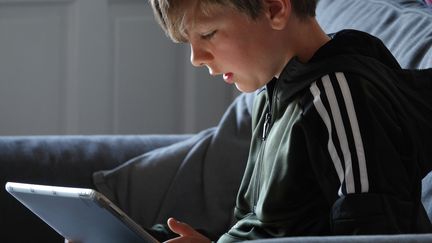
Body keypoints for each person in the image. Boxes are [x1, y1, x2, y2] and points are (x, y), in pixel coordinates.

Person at [68, 0, 432, 242]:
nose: (196, 57)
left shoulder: (341, 94)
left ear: (275, 8)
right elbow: (265, 227)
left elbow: (374, 233)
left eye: (208, 34)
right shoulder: (273, 92)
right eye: (189, 41)